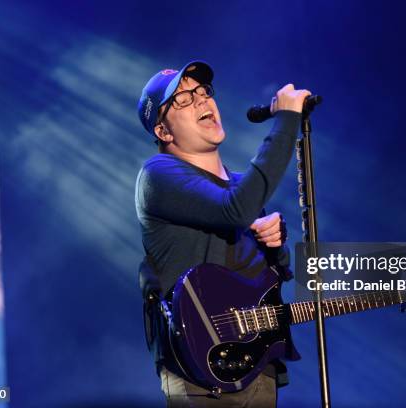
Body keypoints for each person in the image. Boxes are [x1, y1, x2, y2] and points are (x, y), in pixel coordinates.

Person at [135, 60, 310, 407]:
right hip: (200, 375)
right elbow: (235, 210)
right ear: (163, 132)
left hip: (255, 365)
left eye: (202, 92)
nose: (202, 100)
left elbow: (276, 277)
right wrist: (287, 121)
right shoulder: (157, 175)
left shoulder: (241, 186)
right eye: (183, 99)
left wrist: (275, 245)